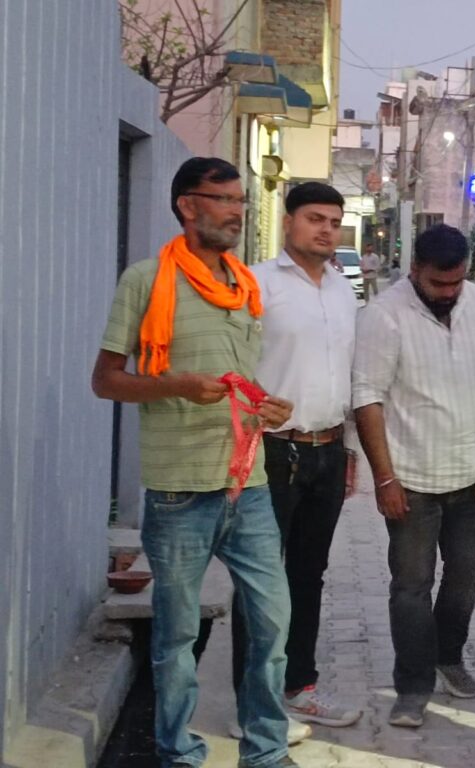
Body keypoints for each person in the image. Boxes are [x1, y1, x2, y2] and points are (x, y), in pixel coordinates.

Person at [91, 157, 297, 768]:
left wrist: (267, 407)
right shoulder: (146, 280)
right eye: (224, 199)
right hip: (179, 491)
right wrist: (176, 385)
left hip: (248, 482)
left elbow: (240, 379)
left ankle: (266, 751)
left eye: (240, 200)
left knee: (272, 623)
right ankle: (178, 752)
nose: (237, 211)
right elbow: (105, 380)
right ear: (187, 205)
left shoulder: (245, 286)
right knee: (177, 635)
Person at [352, 224, 475, 728]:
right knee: (411, 586)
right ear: (415, 269)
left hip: (473, 473)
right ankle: (413, 686)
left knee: (470, 572)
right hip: (411, 480)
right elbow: (367, 398)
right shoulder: (383, 316)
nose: (448, 292)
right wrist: (385, 479)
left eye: (457, 282)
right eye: (438, 283)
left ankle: (448, 654)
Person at [227, 182, 362, 733]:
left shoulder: (343, 290)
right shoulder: (256, 284)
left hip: (327, 451)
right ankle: (250, 705)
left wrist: (349, 447)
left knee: (309, 575)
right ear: (288, 222)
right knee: (259, 580)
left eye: (333, 220)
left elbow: (347, 375)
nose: (326, 229)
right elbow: (232, 364)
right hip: (270, 453)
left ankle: (299, 687)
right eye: (314, 218)